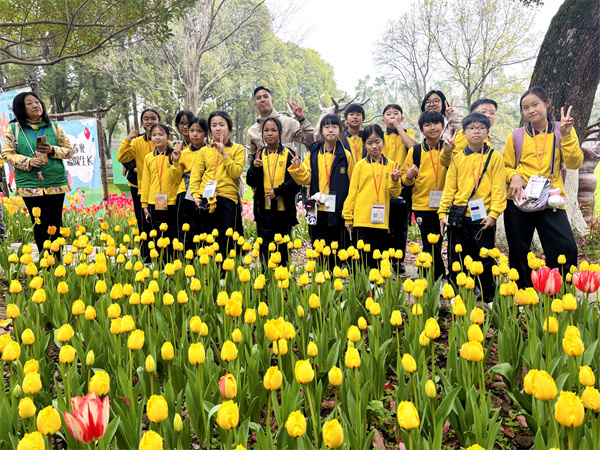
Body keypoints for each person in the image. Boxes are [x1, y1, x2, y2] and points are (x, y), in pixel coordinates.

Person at [503, 87, 582, 287]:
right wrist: (514, 176)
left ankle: (558, 294)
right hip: (520, 200)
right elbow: (505, 166)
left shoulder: (562, 130)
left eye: (535, 104)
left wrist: (566, 136)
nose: (530, 110)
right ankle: (524, 294)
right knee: (519, 252)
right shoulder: (516, 136)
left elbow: (574, 163)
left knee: (565, 248)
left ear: (547, 103)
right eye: (525, 107)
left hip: (551, 200)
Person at [439, 113, 506, 305]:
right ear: (464, 133)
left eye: (481, 128)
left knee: (485, 257)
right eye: (471, 128)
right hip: (459, 216)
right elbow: (449, 188)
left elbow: (499, 188)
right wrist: (442, 213)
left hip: (484, 218)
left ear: (487, 132)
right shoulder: (457, 158)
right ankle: (456, 294)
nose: (476, 131)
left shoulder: (495, 157)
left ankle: (488, 297)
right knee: (456, 257)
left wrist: (494, 214)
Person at [1, 92, 73, 255]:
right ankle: (45, 261)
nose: (35, 105)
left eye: (37, 102)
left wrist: (53, 150)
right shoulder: (14, 129)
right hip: (30, 185)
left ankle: (57, 262)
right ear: (21, 108)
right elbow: (6, 154)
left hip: (55, 182)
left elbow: (69, 151)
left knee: (55, 224)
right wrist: (28, 162)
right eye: (29, 103)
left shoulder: (54, 127)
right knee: (40, 224)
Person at [289, 114, 354, 264]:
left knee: (337, 243)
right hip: (316, 207)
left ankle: (336, 271)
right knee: (318, 243)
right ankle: (321, 271)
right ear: (321, 131)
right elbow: (306, 178)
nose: (330, 130)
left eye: (334, 127)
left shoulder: (346, 155)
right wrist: (298, 167)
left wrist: (349, 209)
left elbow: (352, 183)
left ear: (340, 130)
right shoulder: (314, 153)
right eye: (327, 127)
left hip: (338, 208)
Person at [401, 111, 453, 281]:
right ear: (422, 130)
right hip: (422, 205)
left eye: (436, 123)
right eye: (427, 125)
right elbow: (404, 179)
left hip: (444, 205)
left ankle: (425, 272)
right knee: (429, 240)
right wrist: (409, 176)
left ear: (443, 126)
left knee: (438, 240)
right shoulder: (415, 151)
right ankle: (438, 276)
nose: (432, 127)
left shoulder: (449, 148)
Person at [343, 124, 401, 268]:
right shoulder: (360, 165)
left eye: (377, 142)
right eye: (370, 143)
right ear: (364, 145)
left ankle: (377, 282)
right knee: (363, 260)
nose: (374, 146)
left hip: (382, 221)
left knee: (379, 259)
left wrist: (395, 180)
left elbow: (395, 193)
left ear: (383, 141)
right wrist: (348, 217)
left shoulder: (391, 165)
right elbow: (352, 192)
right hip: (362, 220)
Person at [246, 117, 301, 267]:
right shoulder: (259, 155)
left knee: (283, 248)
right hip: (263, 212)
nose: (269, 133)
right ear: (262, 133)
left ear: (280, 133)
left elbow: (297, 183)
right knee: (265, 247)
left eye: (273, 130)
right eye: (266, 130)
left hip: (284, 212)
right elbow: (250, 181)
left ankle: (283, 278)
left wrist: (278, 191)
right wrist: (255, 169)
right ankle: (266, 277)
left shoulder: (288, 154)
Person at [189, 111, 245, 255]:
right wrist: (195, 195)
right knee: (208, 237)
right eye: (214, 125)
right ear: (210, 130)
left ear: (229, 128)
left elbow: (235, 173)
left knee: (227, 238)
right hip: (207, 197)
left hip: (228, 198)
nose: (218, 128)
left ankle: (226, 267)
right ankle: (211, 268)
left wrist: (224, 154)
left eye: (221, 125)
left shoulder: (238, 149)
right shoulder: (204, 151)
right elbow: (196, 175)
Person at [117, 108, 161, 260]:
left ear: (158, 121)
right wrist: (128, 138)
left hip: (160, 191)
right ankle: (146, 257)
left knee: (160, 221)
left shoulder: (164, 141)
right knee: (143, 222)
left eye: (153, 118)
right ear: (142, 123)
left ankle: (161, 255)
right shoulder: (136, 142)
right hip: (140, 189)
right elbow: (121, 157)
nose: (150, 121)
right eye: (146, 119)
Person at [381, 103, 416, 274]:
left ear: (401, 118)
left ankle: (398, 260)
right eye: (388, 114)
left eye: (395, 114)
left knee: (400, 226)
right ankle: (384, 257)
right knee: (384, 222)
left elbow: (413, 147)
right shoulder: (380, 136)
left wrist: (398, 127)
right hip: (382, 184)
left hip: (403, 184)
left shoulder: (407, 133)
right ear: (383, 120)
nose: (392, 117)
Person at [246, 86, 316, 164]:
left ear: (272, 102)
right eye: (258, 98)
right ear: (255, 105)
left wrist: (302, 119)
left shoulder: (289, 123)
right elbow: (251, 159)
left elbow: (311, 142)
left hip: (288, 170)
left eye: (265, 96)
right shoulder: (252, 131)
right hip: (264, 171)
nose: (262, 100)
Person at [141, 123, 178, 260]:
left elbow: (177, 178)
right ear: (150, 137)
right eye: (154, 135)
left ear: (168, 137)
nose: (157, 137)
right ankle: (160, 262)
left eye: (161, 134)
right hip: (154, 201)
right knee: (157, 232)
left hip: (172, 201)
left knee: (172, 232)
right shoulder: (148, 157)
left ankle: (173, 261)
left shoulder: (174, 154)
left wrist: (176, 162)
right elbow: (146, 182)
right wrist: (144, 204)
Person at [173, 117, 208, 250]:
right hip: (185, 195)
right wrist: (176, 162)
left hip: (204, 192)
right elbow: (176, 178)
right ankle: (186, 257)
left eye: (199, 131)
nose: (194, 134)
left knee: (203, 227)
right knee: (185, 228)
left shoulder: (211, 151)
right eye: (192, 130)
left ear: (206, 133)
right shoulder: (183, 153)